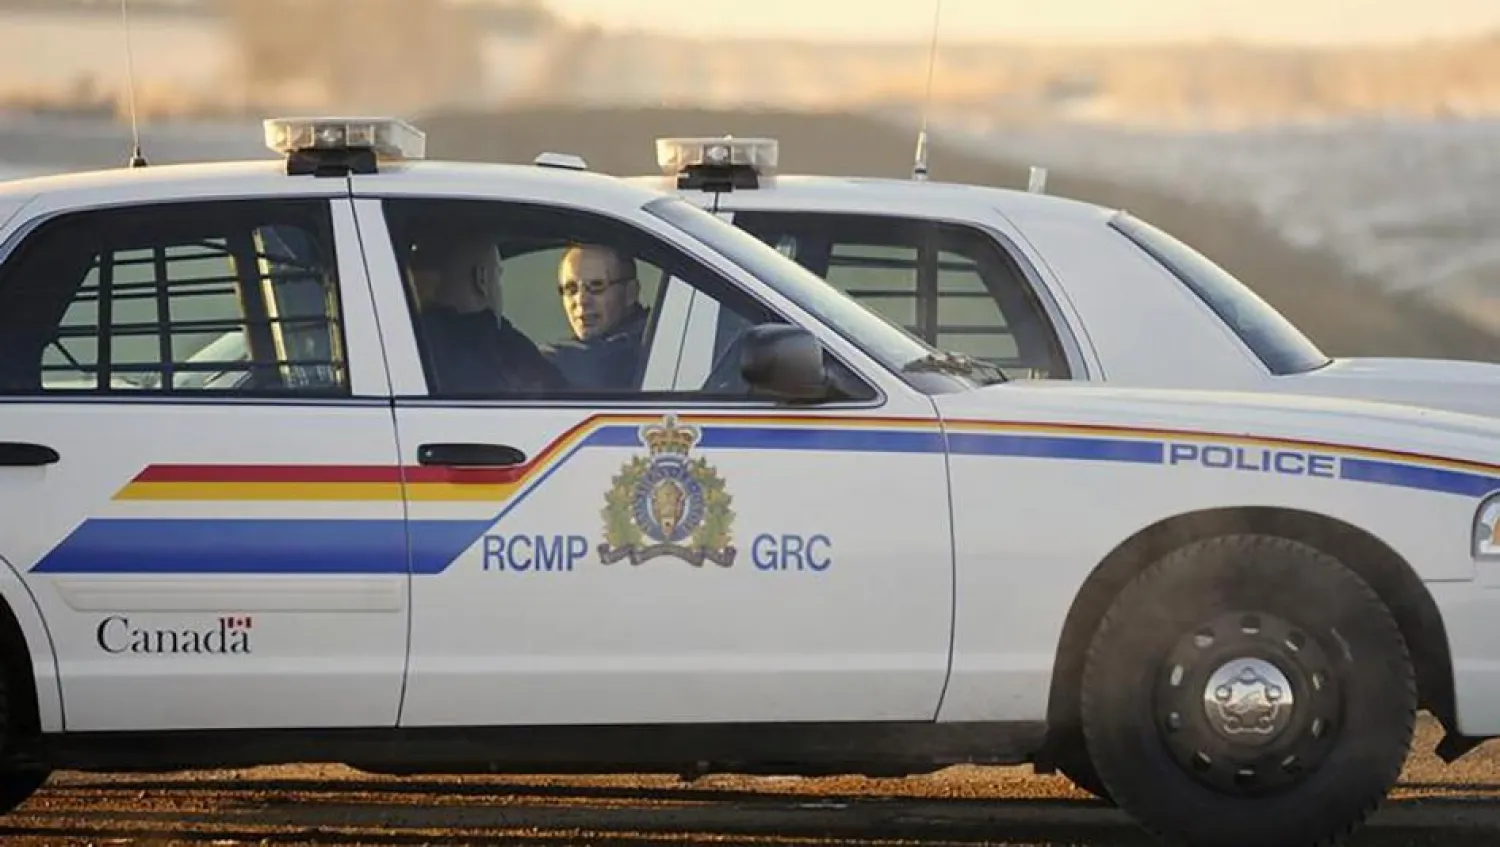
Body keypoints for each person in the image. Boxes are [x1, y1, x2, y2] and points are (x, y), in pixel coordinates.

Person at [408, 232, 568, 395]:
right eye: (498, 275)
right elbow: (562, 392)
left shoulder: (406, 343)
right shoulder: (500, 348)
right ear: (481, 278)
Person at [543, 243, 649, 391]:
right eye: (571, 289)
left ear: (630, 292)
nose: (581, 300)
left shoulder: (645, 346)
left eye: (596, 286)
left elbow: (594, 364)